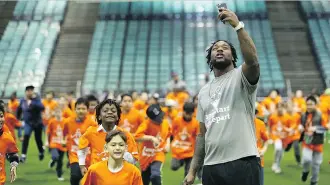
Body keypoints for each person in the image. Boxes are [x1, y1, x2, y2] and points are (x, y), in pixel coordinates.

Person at [184, 6, 261, 185]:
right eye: (215, 49)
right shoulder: (203, 92)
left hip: (243, 162)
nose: (219, 50)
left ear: (233, 57)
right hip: (211, 167)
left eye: (225, 48)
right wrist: (192, 171)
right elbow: (202, 135)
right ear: (210, 59)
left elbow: (253, 61)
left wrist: (237, 26)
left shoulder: (241, 77)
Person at [78, 99, 139, 175]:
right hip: (97, 174)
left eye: (113, 111)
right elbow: (82, 149)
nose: (109, 112)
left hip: (118, 176)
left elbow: (134, 159)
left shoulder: (125, 134)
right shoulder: (91, 132)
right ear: (99, 116)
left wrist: (122, 154)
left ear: (117, 117)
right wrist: (82, 166)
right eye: (105, 111)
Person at [63, 97, 96, 185]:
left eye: (83, 109)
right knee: (75, 176)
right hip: (75, 155)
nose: (81, 111)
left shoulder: (92, 123)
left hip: (89, 156)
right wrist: (64, 141)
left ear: (88, 109)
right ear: (75, 109)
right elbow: (64, 132)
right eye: (78, 108)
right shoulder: (68, 122)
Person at [135, 104, 171, 185]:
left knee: (155, 174)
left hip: (158, 153)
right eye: (157, 118)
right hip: (146, 154)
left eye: (161, 116)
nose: (161, 118)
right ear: (151, 119)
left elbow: (168, 134)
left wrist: (168, 144)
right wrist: (151, 138)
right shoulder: (146, 124)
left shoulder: (165, 123)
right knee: (144, 180)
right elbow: (136, 137)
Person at [301, 96, 328, 185]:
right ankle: (305, 171)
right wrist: (300, 128)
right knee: (306, 159)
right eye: (307, 104)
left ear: (315, 105)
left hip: (317, 143)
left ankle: (314, 181)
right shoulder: (304, 115)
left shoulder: (321, 115)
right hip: (307, 142)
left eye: (311, 104)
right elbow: (301, 125)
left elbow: (326, 128)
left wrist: (316, 128)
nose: (309, 106)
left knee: (316, 164)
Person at [17, 85, 45, 163]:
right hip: (28, 123)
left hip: (37, 123)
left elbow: (42, 107)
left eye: (31, 90)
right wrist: (18, 119)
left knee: (38, 139)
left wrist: (32, 102)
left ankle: (41, 151)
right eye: (28, 90)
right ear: (25, 92)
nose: (30, 92)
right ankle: (23, 155)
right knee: (26, 136)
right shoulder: (22, 100)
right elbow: (19, 110)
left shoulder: (36, 100)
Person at [171, 102, 199, 178]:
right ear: (183, 111)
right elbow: (172, 132)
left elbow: (198, 137)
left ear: (193, 113)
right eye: (186, 113)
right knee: (174, 166)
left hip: (190, 151)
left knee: (188, 172)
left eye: (190, 114)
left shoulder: (196, 123)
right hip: (178, 150)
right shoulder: (177, 120)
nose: (187, 115)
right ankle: (181, 162)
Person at [268, 103, 292, 174]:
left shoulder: (287, 117)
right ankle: (276, 164)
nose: (280, 109)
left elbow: (290, 128)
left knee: (281, 153)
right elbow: (269, 127)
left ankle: (277, 164)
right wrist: (269, 137)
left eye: (281, 107)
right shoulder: (272, 117)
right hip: (275, 136)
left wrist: (289, 131)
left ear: (284, 108)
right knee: (278, 148)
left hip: (284, 138)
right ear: (276, 108)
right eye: (278, 108)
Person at [0, 104, 19, 184]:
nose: (0, 119)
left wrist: (13, 166)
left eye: (1, 116)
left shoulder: (7, 137)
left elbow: (13, 154)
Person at [45, 107, 66, 181]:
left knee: (60, 160)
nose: (58, 114)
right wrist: (46, 141)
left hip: (62, 144)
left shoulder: (65, 121)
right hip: (53, 143)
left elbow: (68, 132)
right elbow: (48, 132)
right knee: (55, 156)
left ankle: (59, 174)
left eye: (59, 112)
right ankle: (53, 160)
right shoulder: (52, 121)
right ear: (54, 113)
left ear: (62, 113)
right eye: (56, 112)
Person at [254, 109, 269, 185]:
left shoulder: (260, 124)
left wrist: (263, 150)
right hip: (243, 162)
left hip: (258, 161)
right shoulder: (239, 125)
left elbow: (266, 140)